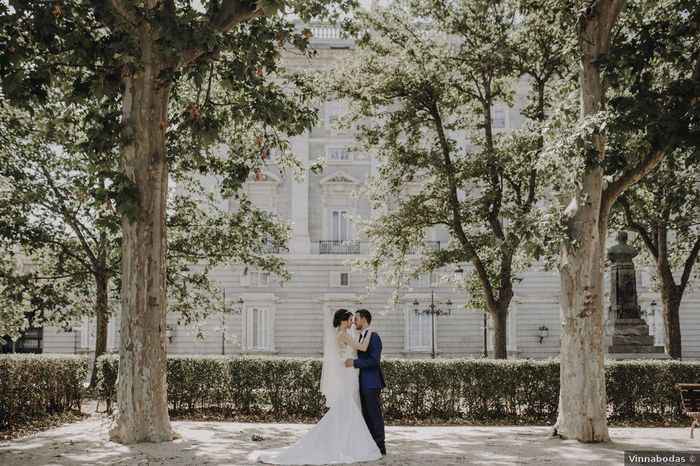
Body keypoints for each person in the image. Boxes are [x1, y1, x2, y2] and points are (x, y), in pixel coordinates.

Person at [247, 309, 382, 464]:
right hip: (348, 374)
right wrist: (370, 332)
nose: (353, 322)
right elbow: (362, 348)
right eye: (351, 319)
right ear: (344, 321)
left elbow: (355, 350)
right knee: (348, 407)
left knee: (349, 408)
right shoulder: (343, 334)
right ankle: (347, 445)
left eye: (354, 319)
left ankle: (348, 443)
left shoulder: (345, 334)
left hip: (351, 373)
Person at [344, 308, 386, 456]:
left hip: (371, 382)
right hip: (361, 382)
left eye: (356, 319)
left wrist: (355, 363)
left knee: (374, 416)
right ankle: (371, 447)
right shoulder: (362, 337)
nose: (354, 321)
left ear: (364, 319)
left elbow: (374, 360)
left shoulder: (374, 336)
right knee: (367, 416)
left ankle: (380, 447)